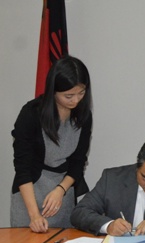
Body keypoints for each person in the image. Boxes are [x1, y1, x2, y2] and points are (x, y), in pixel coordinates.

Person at [11, 55, 93, 233]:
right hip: (29, 193)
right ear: (53, 91)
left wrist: (60, 190)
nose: (76, 100)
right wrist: (34, 215)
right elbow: (22, 168)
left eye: (81, 93)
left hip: (62, 192)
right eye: (68, 95)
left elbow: (78, 162)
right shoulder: (31, 113)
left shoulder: (83, 116)